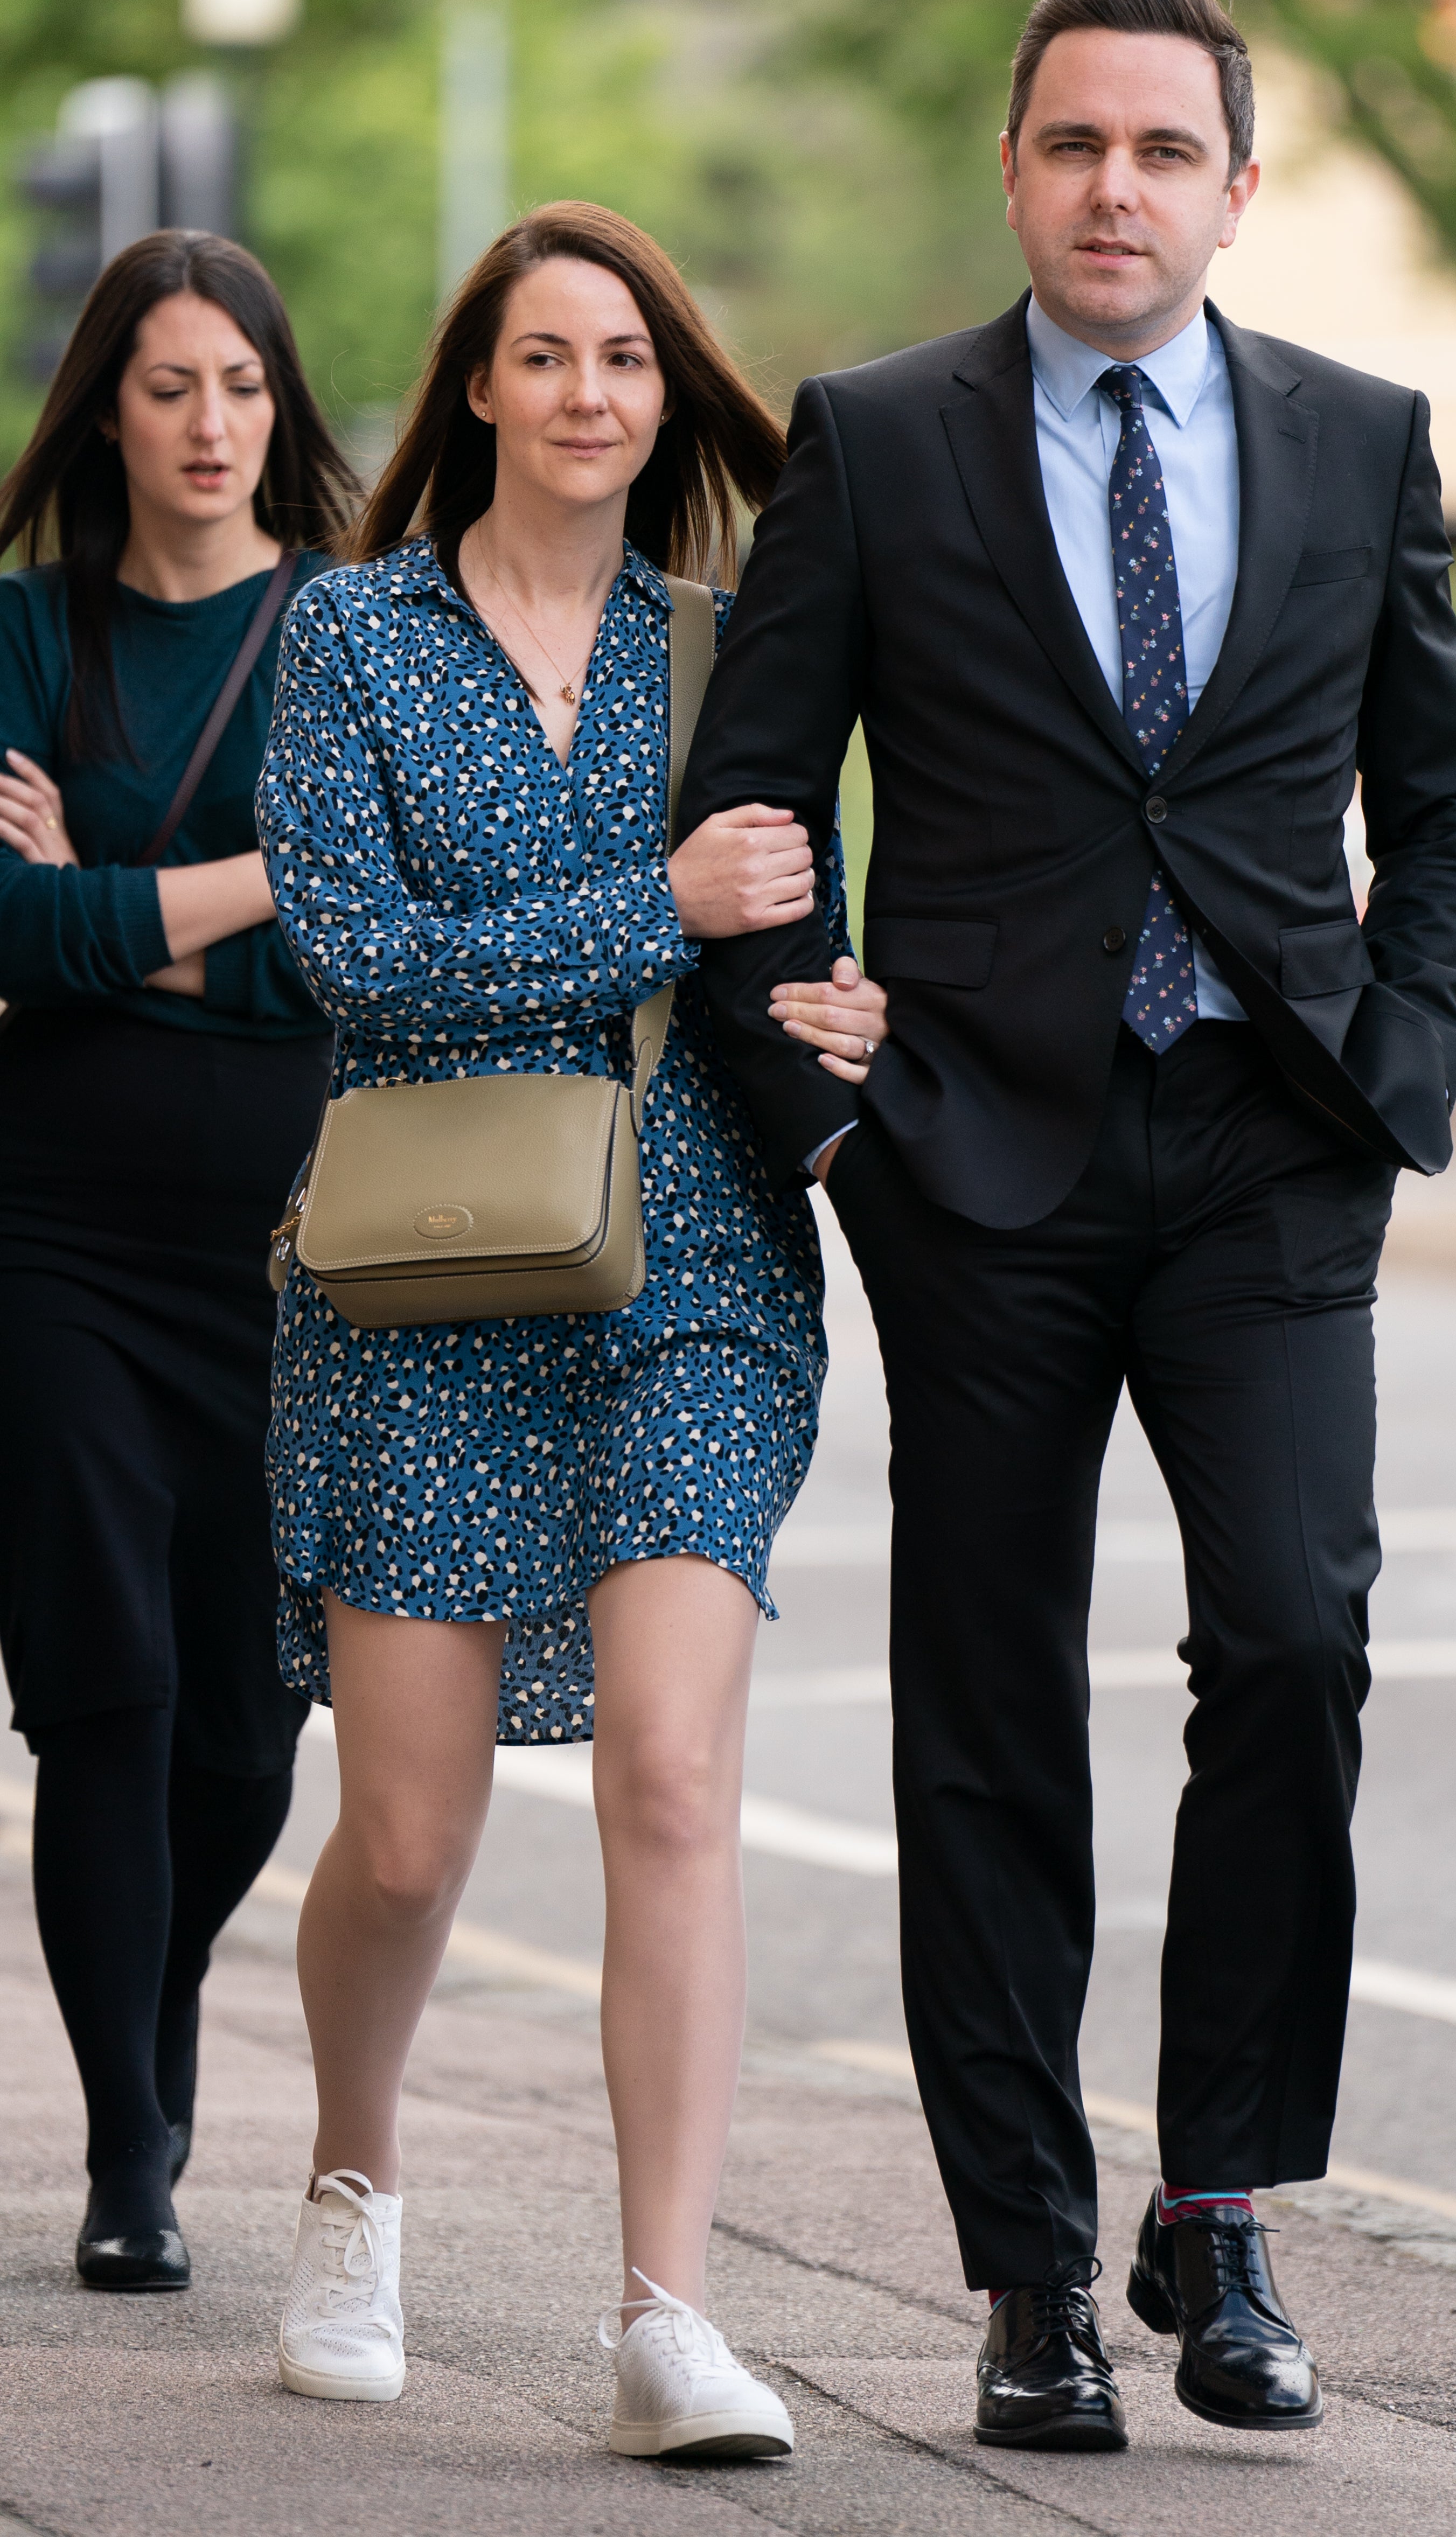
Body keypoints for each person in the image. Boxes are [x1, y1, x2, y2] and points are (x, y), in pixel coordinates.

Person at [679, 0, 1456, 2449]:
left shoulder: (1361, 437)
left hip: (1269, 1144)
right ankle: (1032, 2265)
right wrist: (824, 1098)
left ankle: (1223, 2207)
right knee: (985, 1717)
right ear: (1014, 169)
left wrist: (1411, 1047)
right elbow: (743, 820)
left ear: (1235, 191)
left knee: (1293, 1641)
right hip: (978, 1164)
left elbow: (1444, 792)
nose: (1113, 186)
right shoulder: (880, 438)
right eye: (1073, 144)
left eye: (1163, 150)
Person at [255, 200, 887, 2455]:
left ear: (662, 393)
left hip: (695, 1265)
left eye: (626, 357)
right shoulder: (355, 635)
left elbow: (778, 955)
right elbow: (358, 957)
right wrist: (653, 896)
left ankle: (665, 2311)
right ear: (482, 391)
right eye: (545, 356)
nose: (591, 393)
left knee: (673, 1765)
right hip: (425, 1262)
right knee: (411, 1836)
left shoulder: (731, 649)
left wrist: (837, 1005)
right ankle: (352, 2176)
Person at [0, 231, 355, 2290]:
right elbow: (0, 938)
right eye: (165, 388)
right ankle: (133, 2153)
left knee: (244, 1717)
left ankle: (154, 2000)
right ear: (106, 415)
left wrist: (121, 905)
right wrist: (239, 901)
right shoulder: (26, 639)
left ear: (277, 408)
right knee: (102, 1692)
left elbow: (370, 926)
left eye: (238, 385)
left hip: (295, 1249)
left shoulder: (350, 637)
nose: (207, 425)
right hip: (46, 1226)